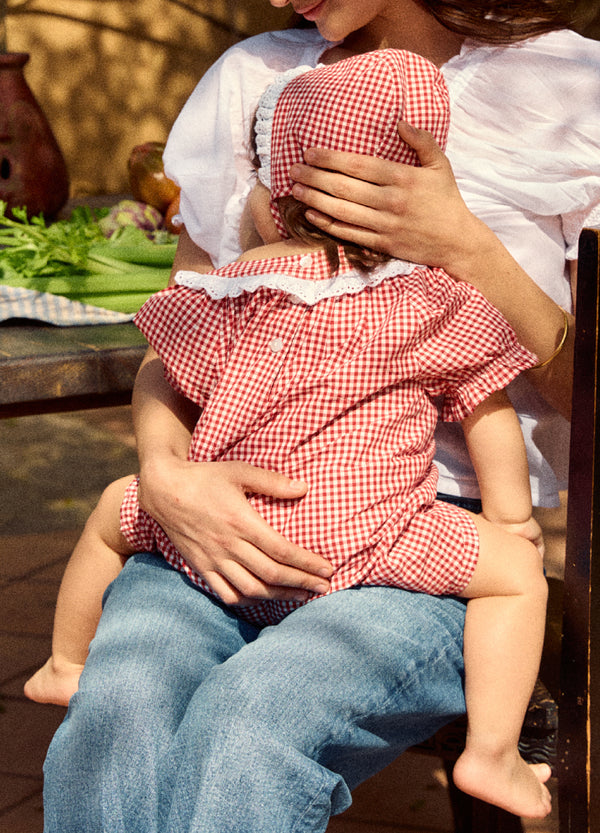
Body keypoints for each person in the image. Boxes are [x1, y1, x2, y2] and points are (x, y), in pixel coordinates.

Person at [42, 3, 600, 832]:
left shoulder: (569, 89)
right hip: (215, 516)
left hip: (424, 542)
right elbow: (180, 332)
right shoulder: (253, 80)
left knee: (251, 723)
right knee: (117, 708)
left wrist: (466, 246)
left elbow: (581, 394)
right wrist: (165, 478)